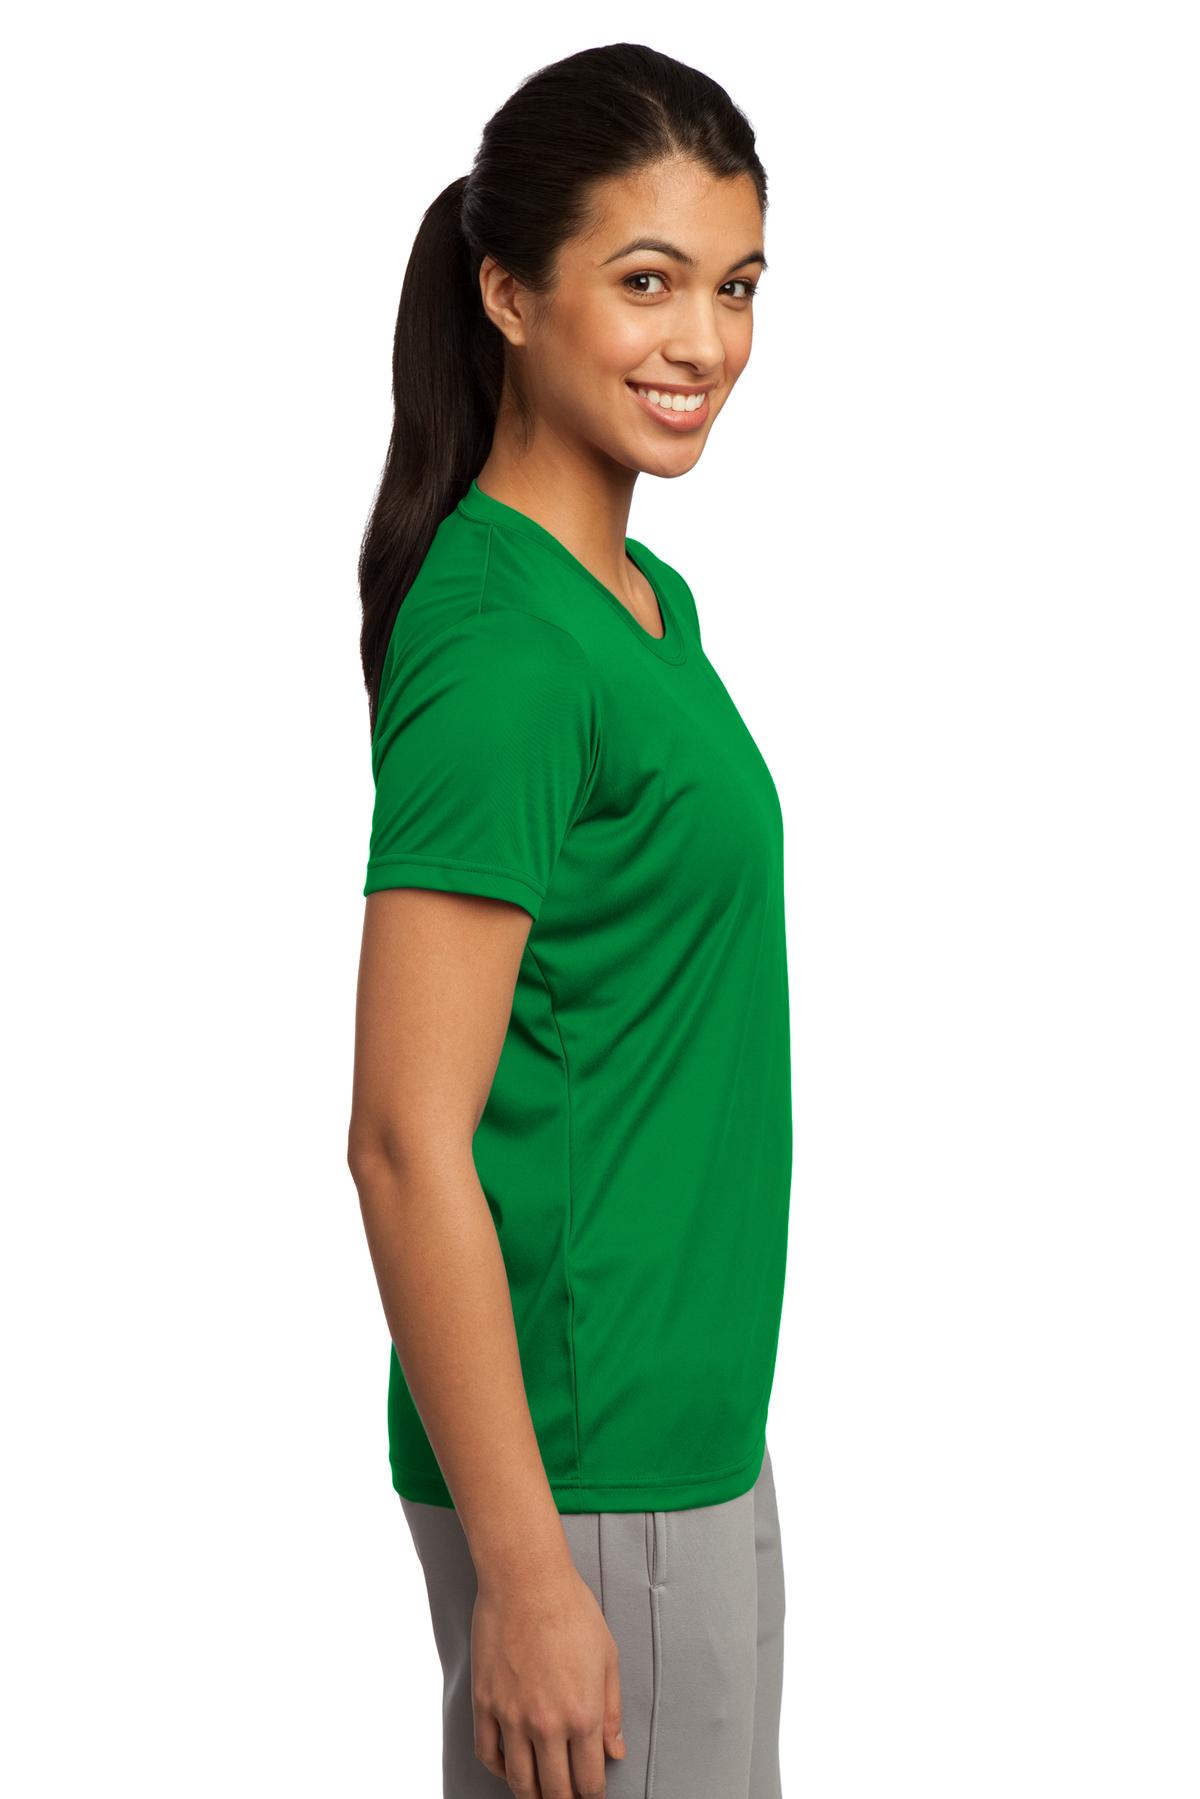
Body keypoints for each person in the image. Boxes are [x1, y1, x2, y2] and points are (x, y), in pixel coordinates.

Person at [347, 42, 792, 1799]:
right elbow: (403, 1139)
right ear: (508, 292)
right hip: (586, 1477)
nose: (706, 342)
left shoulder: (638, 602)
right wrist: (531, 1575)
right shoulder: (508, 652)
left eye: (736, 286)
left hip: (677, 1440)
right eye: (648, 281)